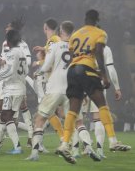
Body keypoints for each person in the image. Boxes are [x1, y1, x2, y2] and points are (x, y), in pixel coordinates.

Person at [56, 9, 131, 165]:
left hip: (72, 71)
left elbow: (70, 54)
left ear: (85, 19)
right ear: (97, 20)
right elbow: (98, 52)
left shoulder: (75, 34)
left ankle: (64, 144)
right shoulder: (100, 32)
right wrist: (103, 75)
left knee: (73, 110)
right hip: (87, 70)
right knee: (102, 105)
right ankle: (113, 142)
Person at [26, 21, 100, 161]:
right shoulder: (78, 49)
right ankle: (89, 147)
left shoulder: (56, 45)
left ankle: (34, 154)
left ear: (60, 31)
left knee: (40, 119)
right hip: (71, 90)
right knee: (79, 122)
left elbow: (47, 65)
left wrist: (38, 72)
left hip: (54, 88)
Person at [0, 18, 34, 147]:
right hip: (6, 81)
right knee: (3, 111)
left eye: (8, 27)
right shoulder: (5, 43)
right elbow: (5, 59)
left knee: (18, 108)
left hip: (15, 80)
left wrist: (7, 65)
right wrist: (2, 61)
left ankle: (31, 135)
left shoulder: (22, 44)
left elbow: (27, 62)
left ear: (13, 30)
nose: (5, 29)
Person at [77, 45, 122, 158]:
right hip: (97, 84)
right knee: (98, 118)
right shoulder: (105, 48)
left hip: (81, 83)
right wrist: (117, 87)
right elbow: (110, 69)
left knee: (78, 120)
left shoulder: (81, 45)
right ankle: (100, 151)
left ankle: (82, 147)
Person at [32, 18, 65, 141]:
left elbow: (50, 62)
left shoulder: (52, 41)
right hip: (59, 79)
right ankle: (73, 138)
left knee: (47, 111)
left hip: (53, 81)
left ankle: (64, 137)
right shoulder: (55, 40)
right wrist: (43, 48)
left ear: (45, 27)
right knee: (61, 113)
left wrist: (38, 63)